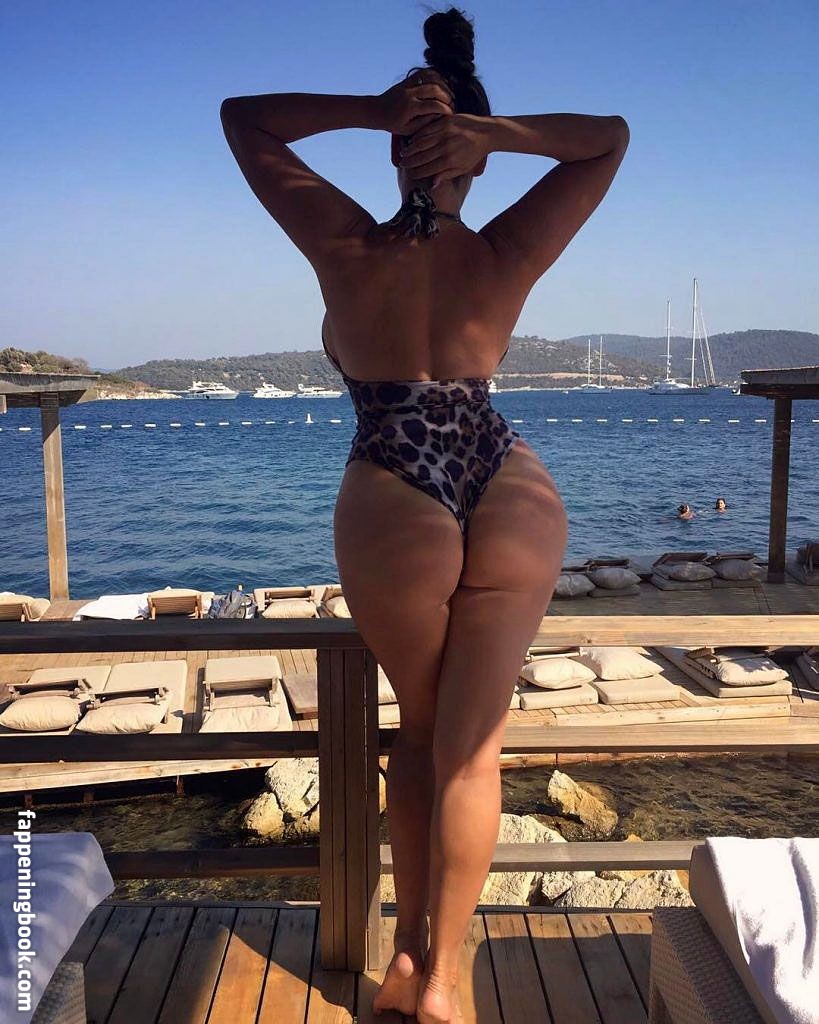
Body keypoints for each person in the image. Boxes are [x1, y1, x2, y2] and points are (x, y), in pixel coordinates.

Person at [221, 8, 628, 1021]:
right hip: (506, 474)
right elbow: (609, 137)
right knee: (471, 744)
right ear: (473, 161)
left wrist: (375, 111)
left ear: (399, 148)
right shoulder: (506, 248)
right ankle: (440, 976)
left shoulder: (346, 241)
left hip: (397, 468)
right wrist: (496, 135)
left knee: (424, 730)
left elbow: (243, 117)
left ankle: (410, 964)